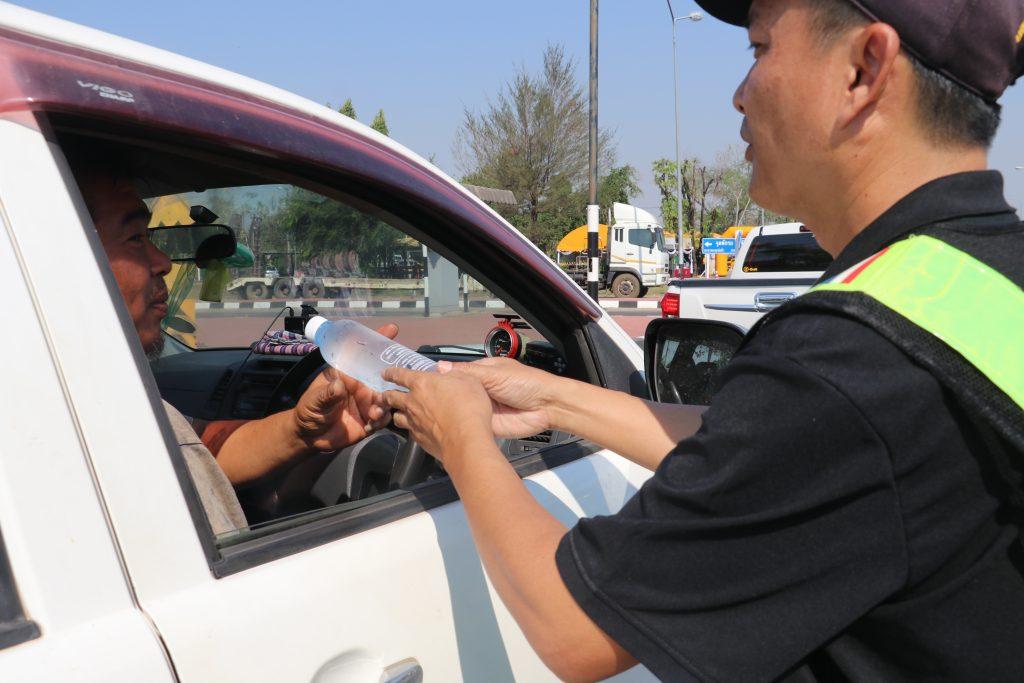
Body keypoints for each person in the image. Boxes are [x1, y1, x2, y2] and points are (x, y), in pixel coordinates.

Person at [382, 0, 1024, 680]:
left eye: (760, 49)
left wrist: (462, 437)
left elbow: (573, 626)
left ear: (864, 68)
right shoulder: (987, 277)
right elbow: (782, 454)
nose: (740, 93)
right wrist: (557, 399)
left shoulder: (848, 358)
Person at [76, 165, 393, 535]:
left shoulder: (107, 389)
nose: (163, 261)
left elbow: (204, 450)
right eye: (134, 239)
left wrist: (302, 429)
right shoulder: (61, 418)